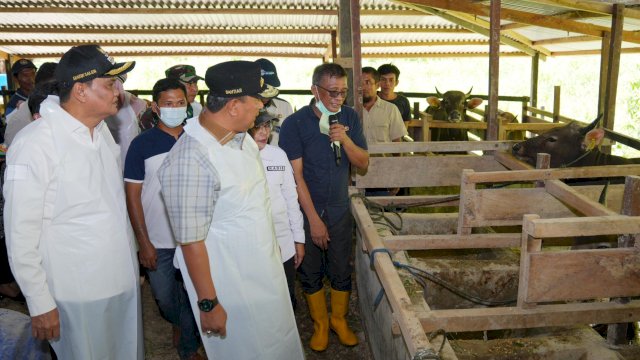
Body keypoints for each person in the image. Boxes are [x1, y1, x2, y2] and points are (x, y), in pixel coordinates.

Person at [3, 44, 143, 359]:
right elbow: (20, 232)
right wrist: (40, 303)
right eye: (109, 84)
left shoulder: (102, 133)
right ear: (80, 90)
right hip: (76, 293)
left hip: (120, 283)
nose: (118, 92)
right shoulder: (35, 143)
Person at [158, 60, 304, 360]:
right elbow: (190, 240)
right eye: (257, 102)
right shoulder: (191, 158)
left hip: (263, 275)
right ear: (234, 106)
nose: (261, 109)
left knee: (278, 346)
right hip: (231, 287)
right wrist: (209, 303)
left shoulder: (241, 140)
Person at [279, 63, 369, 351]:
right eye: (331, 92)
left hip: (340, 207)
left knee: (342, 267)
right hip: (308, 209)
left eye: (342, 92)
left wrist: (345, 139)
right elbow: (296, 176)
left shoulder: (350, 118)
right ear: (314, 90)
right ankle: (319, 323)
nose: (337, 98)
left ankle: (338, 320)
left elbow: (363, 163)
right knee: (310, 268)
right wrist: (313, 220)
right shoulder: (295, 124)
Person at [124, 77, 201, 360]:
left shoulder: (197, 139)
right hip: (158, 240)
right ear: (155, 107)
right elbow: (132, 196)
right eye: (168, 104)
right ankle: (180, 324)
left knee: (196, 293)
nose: (175, 108)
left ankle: (189, 348)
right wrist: (143, 242)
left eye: (180, 103)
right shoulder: (141, 144)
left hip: (195, 237)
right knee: (165, 298)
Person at [248, 109, 305, 308]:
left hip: (284, 241)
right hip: (251, 245)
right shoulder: (236, 157)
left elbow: (291, 198)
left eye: (267, 126)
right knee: (259, 300)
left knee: (286, 298)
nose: (264, 132)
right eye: (258, 127)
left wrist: (298, 239)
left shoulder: (278, 155)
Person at [362, 66, 407, 196]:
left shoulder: (391, 110)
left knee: (383, 213)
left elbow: (397, 145)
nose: (364, 87)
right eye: (360, 83)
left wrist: (397, 176)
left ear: (377, 85)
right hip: (358, 174)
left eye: (368, 82)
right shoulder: (351, 112)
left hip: (384, 172)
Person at [4, 62, 58, 147]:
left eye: (33, 74)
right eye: (25, 75)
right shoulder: (12, 106)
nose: (30, 79)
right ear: (15, 79)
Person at [104, 74, 148, 165]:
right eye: (110, 85)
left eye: (115, 85)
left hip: (131, 162)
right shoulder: (95, 105)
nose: (116, 92)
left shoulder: (136, 104)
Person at [255, 58, 294, 146]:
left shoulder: (285, 107)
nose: (267, 91)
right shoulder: (244, 106)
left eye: (271, 86)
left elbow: (291, 138)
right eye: (263, 87)